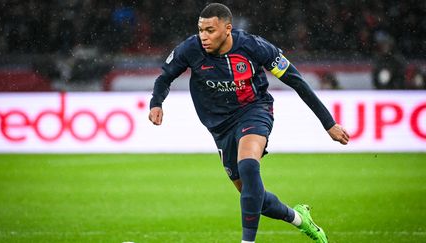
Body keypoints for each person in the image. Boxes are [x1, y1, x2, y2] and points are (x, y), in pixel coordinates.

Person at [148, 3, 350, 243]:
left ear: (227, 29)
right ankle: (300, 218)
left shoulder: (254, 47)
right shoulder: (190, 49)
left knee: (248, 165)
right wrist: (156, 103)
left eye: (210, 30)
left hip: (254, 111)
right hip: (219, 127)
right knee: (254, 196)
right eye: (201, 30)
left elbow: (297, 82)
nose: (203, 36)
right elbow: (164, 78)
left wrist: (329, 124)